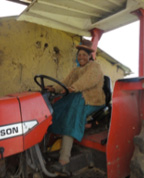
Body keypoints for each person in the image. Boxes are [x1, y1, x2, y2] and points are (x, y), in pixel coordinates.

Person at [46, 39, 106, 174]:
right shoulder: (75, 70)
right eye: (79, 54)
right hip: (78, 96)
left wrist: (74, 88)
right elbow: (64, 83)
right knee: (58, 106)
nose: (81, 57)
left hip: (93, 99)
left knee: (73, 109)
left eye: (85, 54)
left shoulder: (95, 67)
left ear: (90, 55)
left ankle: (64, 160)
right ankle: (56, 147)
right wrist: (53, 89)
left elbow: (87, 81)